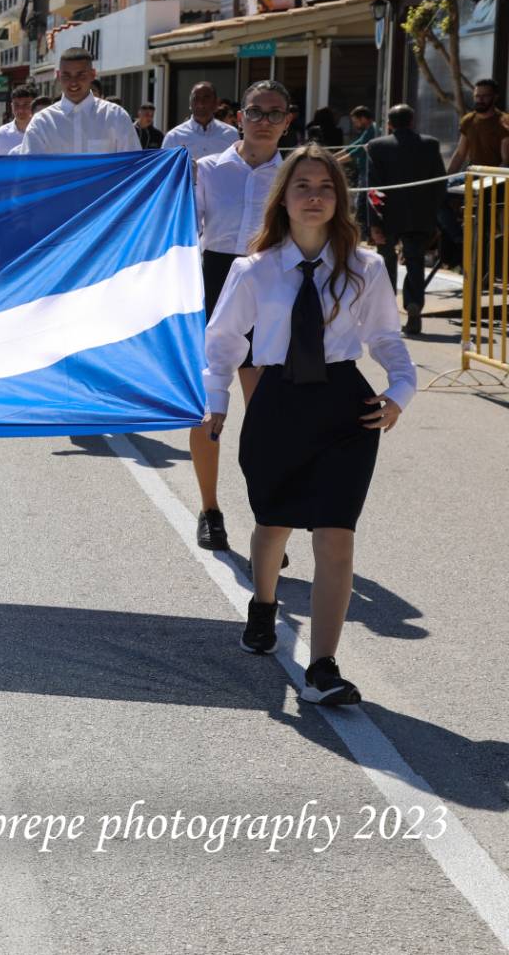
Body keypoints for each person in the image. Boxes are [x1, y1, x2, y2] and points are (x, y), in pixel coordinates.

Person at [204, 144, 414, 706]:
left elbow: (388, 342)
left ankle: (323, 667)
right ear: (285, 198)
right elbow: (222, 341)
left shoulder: (364, 267)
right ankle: (264, 605)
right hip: (278, 404)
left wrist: (399, 393)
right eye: (303, 186)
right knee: (273, 527)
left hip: (347, 408)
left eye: (325, 187)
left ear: (339, 199)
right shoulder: (255, 269)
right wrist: (216, 399)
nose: (314, 196)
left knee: (336, 538)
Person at [189, 80, 293, 552]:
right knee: (208, 410)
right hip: (214, 282)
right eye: (256, 112)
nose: (265, 122)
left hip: (268, 292)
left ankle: (267, 519)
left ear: (288, 120)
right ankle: (210, 510)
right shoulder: (208, 170)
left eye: (275, 113)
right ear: (240, 117)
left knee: (267, 419)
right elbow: (185, 232)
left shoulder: (296, 174)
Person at [366, 104, 446, 336]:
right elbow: (439, 183)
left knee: (386, 261)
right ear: (413, 121)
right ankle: (413, 307)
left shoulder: (377, 146)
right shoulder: (430, 144)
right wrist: (433, 215)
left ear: (389, 124)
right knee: (415, 262)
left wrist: (374, 222)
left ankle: (387, 313)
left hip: (387, 215)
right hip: (420, 215)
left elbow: (374, 187)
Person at [17, 48, 139, 155]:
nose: (73, 82)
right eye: (67, 76)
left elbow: (133, 167)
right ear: (59, 76)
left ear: (93, 74)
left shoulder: (116, 117)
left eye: (81, 75)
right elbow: (30, 171)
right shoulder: (42, 123)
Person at [162, 82, 238, 162]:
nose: (201, 103)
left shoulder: (231, 134)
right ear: (190, 104)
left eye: (206, 98)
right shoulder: (174, 137)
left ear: (216, 103)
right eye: (196, 98)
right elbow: (165, 170)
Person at [446, 78, 509, 173]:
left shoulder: (504, 121)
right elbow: (460, 154)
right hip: (473, 177)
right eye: (477, 96)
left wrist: (489, 181)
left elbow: (506, 161)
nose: (480, 100)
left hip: (497, 180)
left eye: (485, 96)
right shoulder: (468, 120)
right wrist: (446, 179)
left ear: (495, 97)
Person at [0, 85, 36, 156]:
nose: (21, 110)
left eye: (26, 105)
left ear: (33, 105)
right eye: (16, 105)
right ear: (11, 106)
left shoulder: (43, 134)